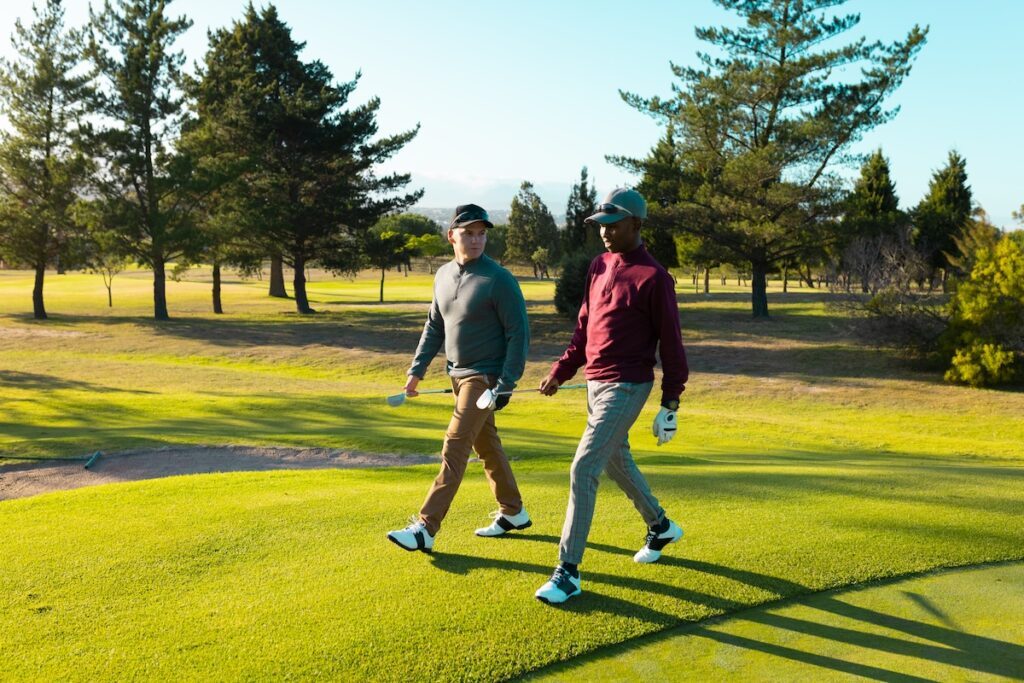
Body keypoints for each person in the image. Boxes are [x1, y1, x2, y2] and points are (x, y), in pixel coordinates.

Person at [534, 188, 689, 604]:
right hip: (594, 383)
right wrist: (560, 371)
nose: (605, 232)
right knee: (616, 461)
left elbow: (672, 344)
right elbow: (584, 329)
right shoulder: (599, 265)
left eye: (613, 224)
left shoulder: (654, 277)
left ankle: (568, 572)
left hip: (628, 384)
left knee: (584, 467)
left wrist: (670, 403)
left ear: (636, 224)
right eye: (600, 225)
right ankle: (660, 525)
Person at [387, 203, 532, 553]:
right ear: (451, 235)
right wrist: (416, 371)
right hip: (456, 375)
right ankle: (513, 511)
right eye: (468, 233)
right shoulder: (442, 275)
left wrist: (506, 384)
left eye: (482, 233)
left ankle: (426, 527)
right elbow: (434, 326)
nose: (476, 239)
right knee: (487, 446)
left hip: (483, 379)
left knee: (455, 444)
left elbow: (519, 334)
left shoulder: (499, 279)